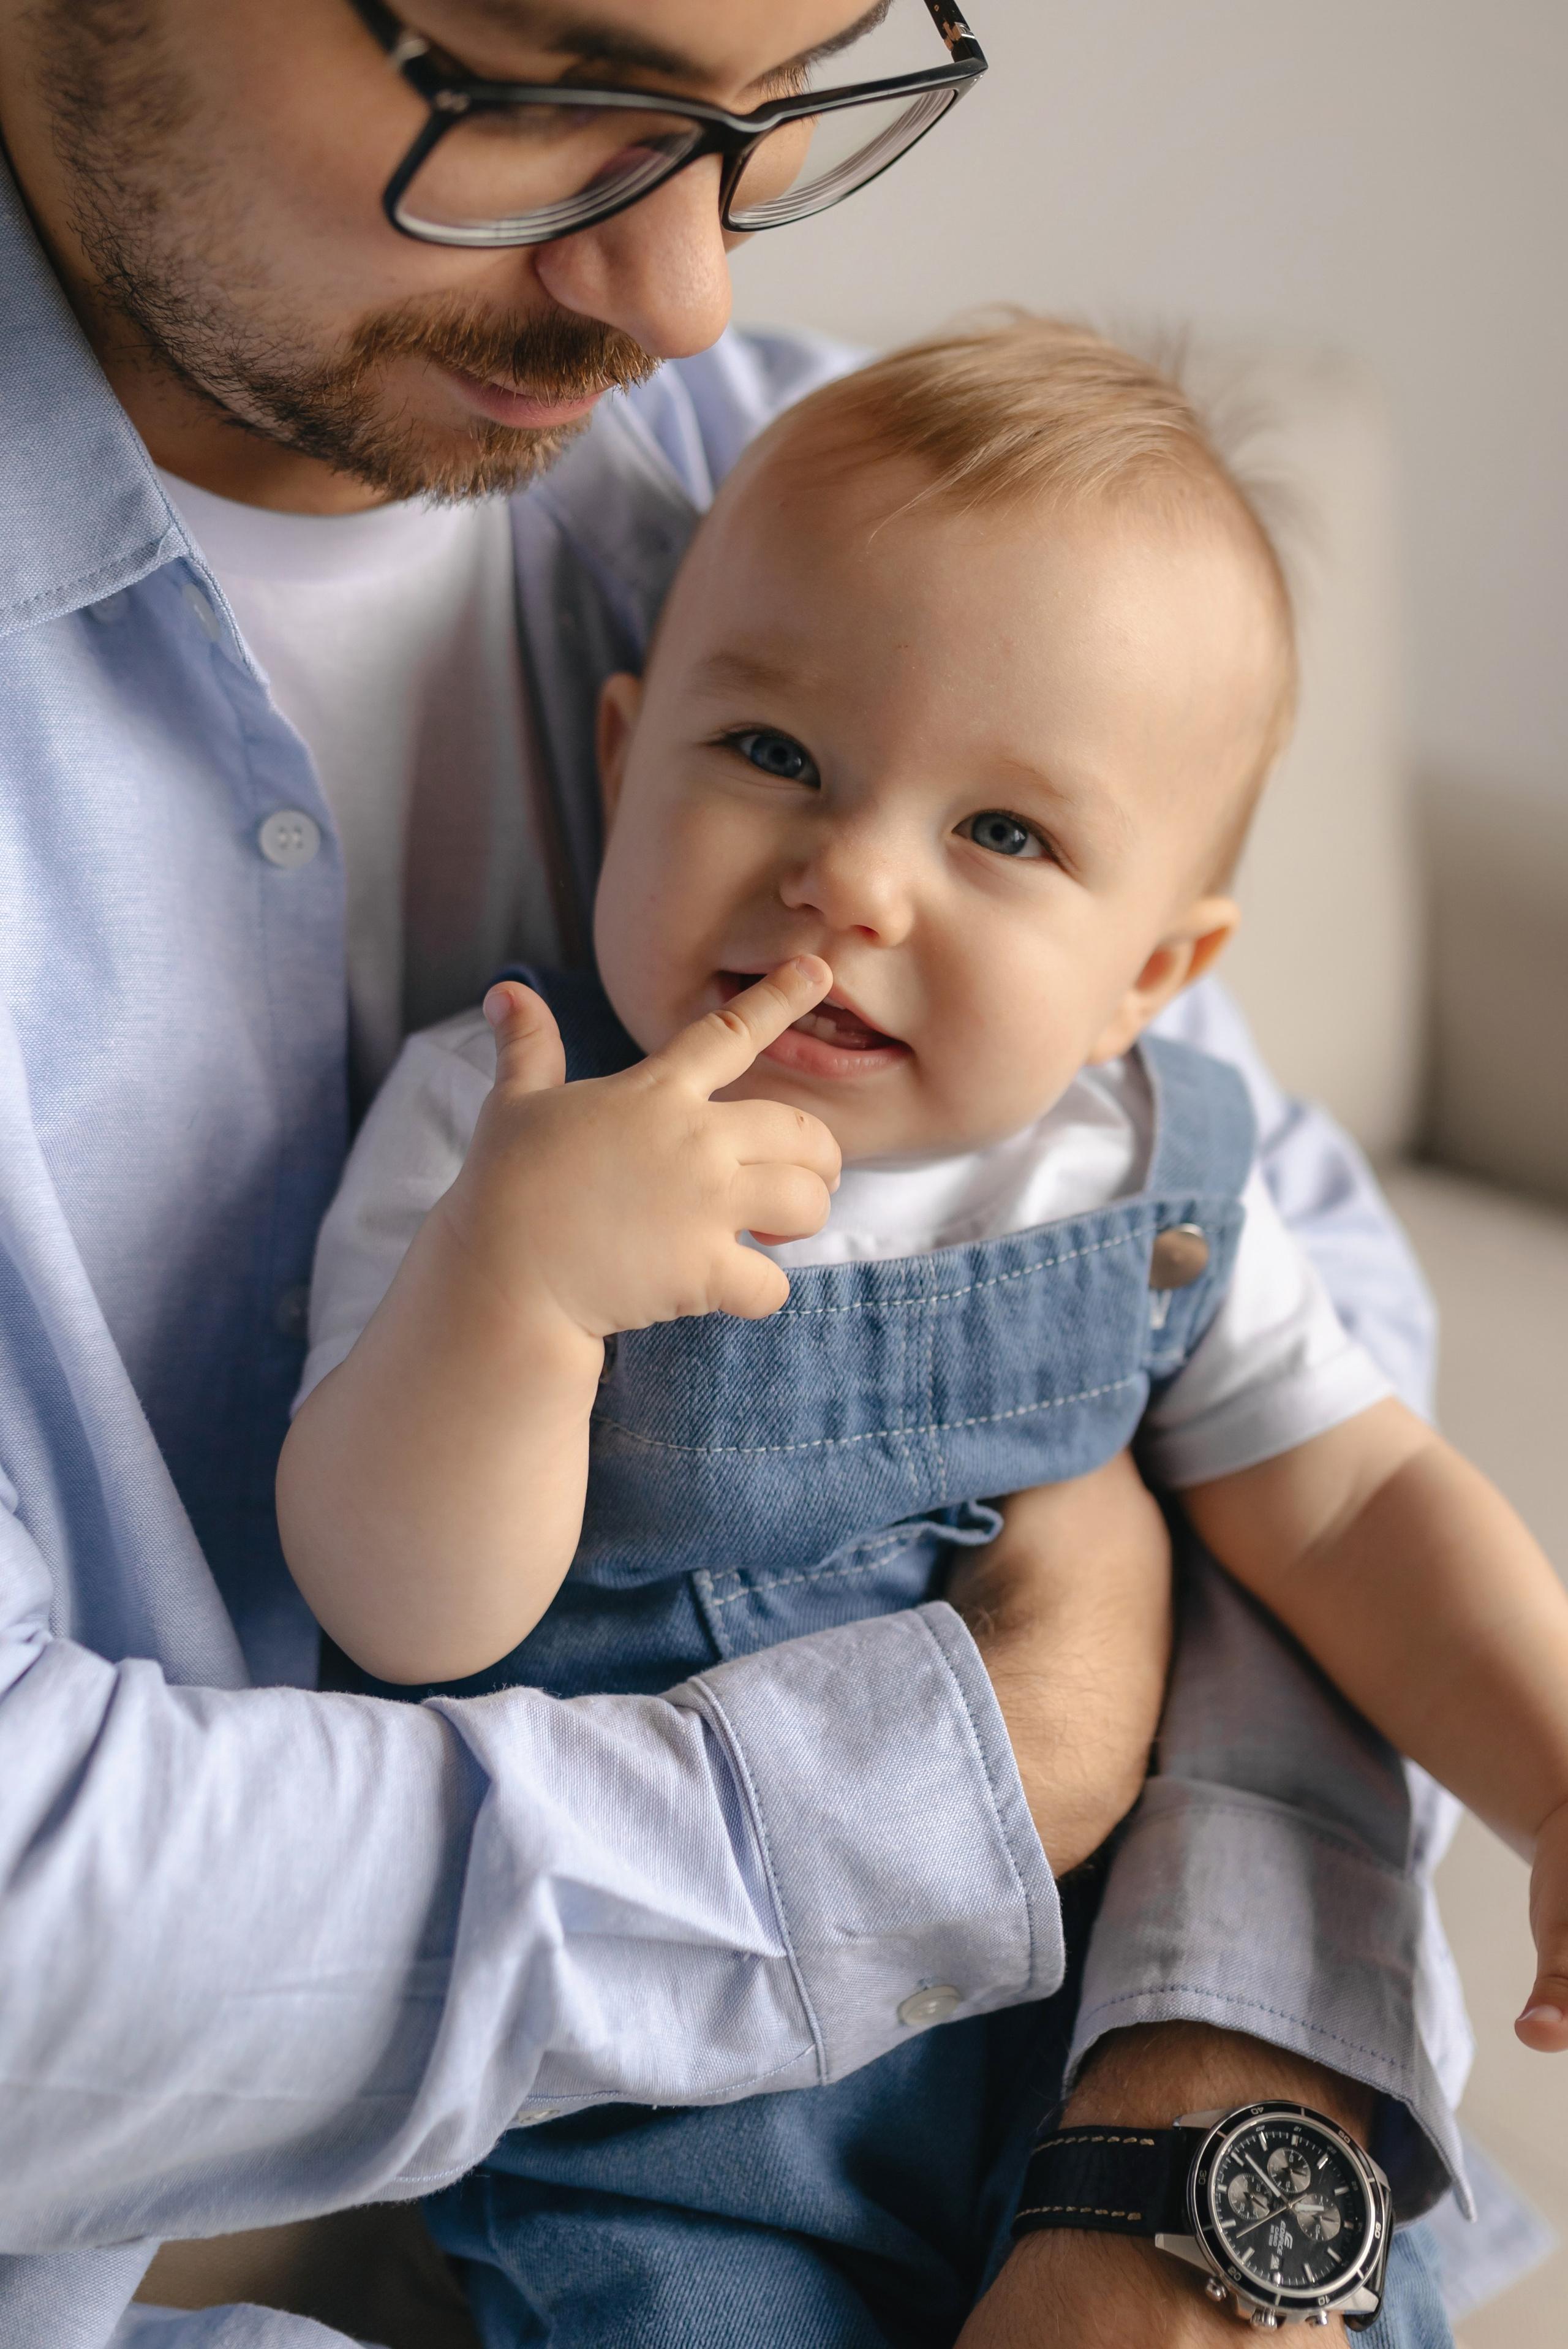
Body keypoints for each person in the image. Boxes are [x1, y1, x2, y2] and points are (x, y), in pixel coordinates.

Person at [0, 3, 1464, 2343]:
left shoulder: (777, 485)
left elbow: (1313, 1380)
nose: (680, 285)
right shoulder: (500, 1121)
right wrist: (1017, 1728)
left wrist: (1196, 2150)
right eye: (519, 84)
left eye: (776, 110)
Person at [277, 321, 1568, 2343]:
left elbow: (1353, 1502)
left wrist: (1549, 1765)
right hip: (685, 2119)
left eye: (1006, 836)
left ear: (1153, 974)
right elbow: (392, 1602)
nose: (851, 879)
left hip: (1115, 2037)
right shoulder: (513, 1119)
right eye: (774, 754)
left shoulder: (1142, 1174)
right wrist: (514, 1297)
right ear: (625, 756)